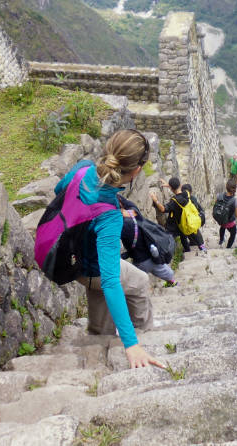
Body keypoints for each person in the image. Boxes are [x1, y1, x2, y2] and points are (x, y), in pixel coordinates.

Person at [53, 129, 164, 369]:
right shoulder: (109, 214)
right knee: (140, 280)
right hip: (92, 270)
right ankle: (143, 331)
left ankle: (99, 334)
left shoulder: (82, 168)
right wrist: (131, 344)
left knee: (100, 288)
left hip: (71, 259)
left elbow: (58, 191)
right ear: (136, 171)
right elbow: (110, 281)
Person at [118, 194, 177, 287]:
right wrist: (118, 197)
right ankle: (173, 282)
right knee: (164, 271)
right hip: (152, 255)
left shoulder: (121, 226)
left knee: (136, 281)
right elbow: (128, 203)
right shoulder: (134, 212)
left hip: (140, 261)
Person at [150, 177, 197, 253]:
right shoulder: (186, 194)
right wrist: (169, 185)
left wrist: (156, 200)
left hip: (175, 225)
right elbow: (177, 189)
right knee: (183, 237)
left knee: (168, 239)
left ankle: (169, 254)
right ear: (180, 185)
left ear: (171, 188)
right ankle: (187, 251)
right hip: (184, 221)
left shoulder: (174, 201)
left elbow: (163, 209)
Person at [217, 177, 237, 248]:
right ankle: (228, 248)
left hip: (221, 219)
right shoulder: (236, 202)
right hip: (229, 222)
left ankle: (221, 240)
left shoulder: (219, 196)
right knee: (233, 233)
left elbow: (217, 205)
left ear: (226, 187)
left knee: (222, 227)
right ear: (235, 189)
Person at [181, 183, 207, 253]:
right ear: (191, 192)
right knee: (198, 238)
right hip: (193, 223)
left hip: (185, 224)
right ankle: (203, 249)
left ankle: (187, 250)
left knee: (185, 235)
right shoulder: (193, 198)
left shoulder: (180, 200)